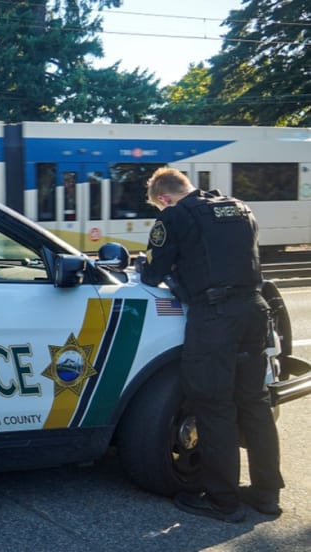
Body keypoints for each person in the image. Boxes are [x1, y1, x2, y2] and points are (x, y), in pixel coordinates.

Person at [138, 167, 283, 523]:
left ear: (163, 197)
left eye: (159, 207)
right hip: (255, 310)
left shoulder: (175, 216)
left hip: (216, 317)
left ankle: (222, 500)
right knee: (254, 402)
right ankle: (267, 496)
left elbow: (152, 273)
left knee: (213, 403)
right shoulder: (239, 206)